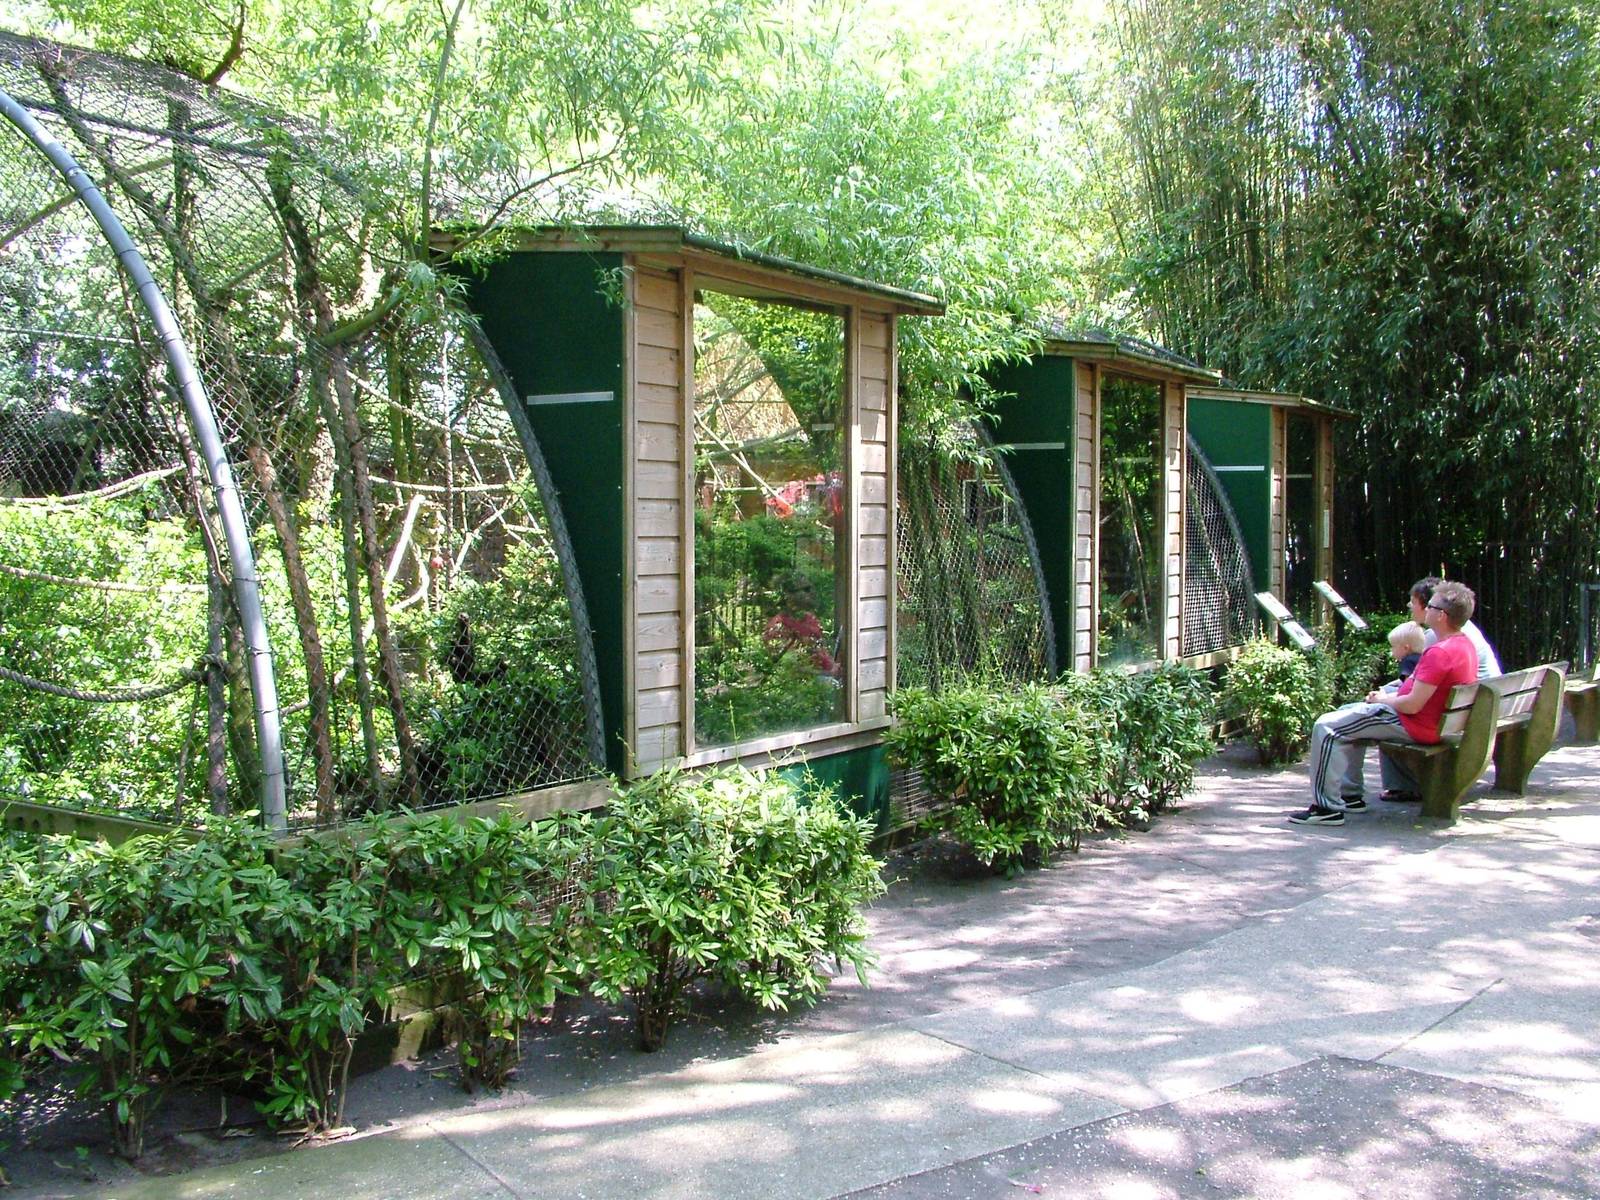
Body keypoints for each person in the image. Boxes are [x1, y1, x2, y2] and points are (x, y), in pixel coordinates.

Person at [1290, 580, 1481, 826]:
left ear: (1441, 616)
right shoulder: (1463, 644)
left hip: (1415, 724)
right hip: (1435, 723)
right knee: (1346, 713)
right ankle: (1350, 797)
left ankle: (1326, 808)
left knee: (1327, 727)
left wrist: (1383, 699)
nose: (1426, 609)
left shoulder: (1440, 652)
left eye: (1431, 606)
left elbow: (1412, 705)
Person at [1377, 576, 1501, 802]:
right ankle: (1401, 786)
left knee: (1364, 718)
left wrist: (1384, 699)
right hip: (1468, 707)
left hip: (1448, 717)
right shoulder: (1460, 634)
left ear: (1435, 611)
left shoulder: (1438, 640)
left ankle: (1384, 789)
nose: (1409, 606)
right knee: (1385, 708)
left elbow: (1417, 693)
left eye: (1413, 602)